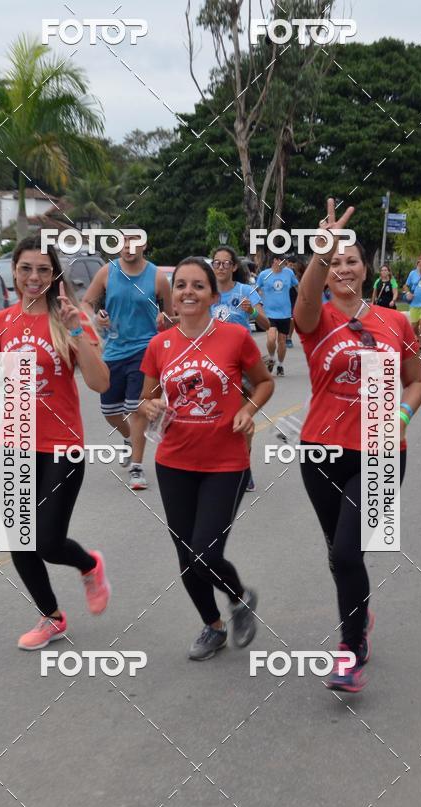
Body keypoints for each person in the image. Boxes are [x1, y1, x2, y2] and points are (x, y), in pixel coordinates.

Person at [0, 235, 112, 650]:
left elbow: (100, 382)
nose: (34, 277)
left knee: (48, 540)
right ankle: (52, 618)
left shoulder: (67, 318)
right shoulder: (0, 322)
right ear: (15, 272)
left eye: (43, 269)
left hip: (62, 444)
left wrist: (78, 330)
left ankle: (89, 564)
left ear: (54, 274)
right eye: (26, 269)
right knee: (19, 542)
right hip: (16, 442)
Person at [295, 199, 421, 693]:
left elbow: (416, 382)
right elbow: (305, 299)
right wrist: (321, 251)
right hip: (320, 451)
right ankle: (360, 613)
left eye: (352, 259)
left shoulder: (396, 323)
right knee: (340, 553)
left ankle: (351, 649)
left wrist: (401, 414)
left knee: (349, 550)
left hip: (382, 447)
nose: (344, 267)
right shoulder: (316, 318)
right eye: (336, 262)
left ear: (366, 268)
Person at [140, 257, 274, 660]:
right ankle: (212, 626)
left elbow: (264, 382)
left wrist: (248, 410)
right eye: (180, 285)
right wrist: (149, 407)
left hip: (226, 462)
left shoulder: (234, 337)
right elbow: (147, 397)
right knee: (186, 558)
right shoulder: (159, 344)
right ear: (171, 296)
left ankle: (239, 598)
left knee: (205, 553)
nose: (188, 292)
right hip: (173, 462)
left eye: (198, 285)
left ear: (214, 295)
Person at [81, 228, 173, 490]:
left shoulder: (157, 277)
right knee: (109, 411)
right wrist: (97, 317)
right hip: (113, 351)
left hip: (145, 351)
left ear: (144, 246)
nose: (128, 246)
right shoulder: (107, 272)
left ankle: (137, 467)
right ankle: (128, 438)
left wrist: (164, 320)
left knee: (136, 408)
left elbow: (170, 315)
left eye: (134, 242)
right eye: (124, 241)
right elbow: (86, 303)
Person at [210, 245, 270, 492]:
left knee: (243, 414)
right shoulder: (208, 293)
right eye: (217, 263)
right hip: (214, 361)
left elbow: (266, 323)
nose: (221, 267)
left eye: (225, 263)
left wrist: (252, 311)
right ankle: (219, 467)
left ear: (234, 267)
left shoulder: (246, 290)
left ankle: (245, 467)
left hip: (242, 362)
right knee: (215, 418)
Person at [256, 255, 298, 376]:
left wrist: (302, 300)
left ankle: (280, 365)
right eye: (282, 260)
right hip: (269, 313)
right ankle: (271, 357)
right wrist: (257, 303)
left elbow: (296, 285)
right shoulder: (264, 274)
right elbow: (256, 290)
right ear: (275, 261)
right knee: (271, 339)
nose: (284, 263)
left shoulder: (289, 273)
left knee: (282, 341)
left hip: (284, 313)